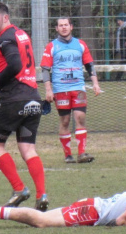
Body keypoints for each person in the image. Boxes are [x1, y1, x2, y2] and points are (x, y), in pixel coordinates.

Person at [0, 1, 48, 211]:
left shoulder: (5, 38)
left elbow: (15, 65)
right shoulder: (21, 34)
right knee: (28, 148)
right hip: (33, 98)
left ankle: (19, 189)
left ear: (5, 17)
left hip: (13, 100)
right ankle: (42, 195)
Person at [40, 17, 102, 164]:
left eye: (66, 25)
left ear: (71, 27)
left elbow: (89, 65)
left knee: (80, 118)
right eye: (60, 25)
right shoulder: (51, 46)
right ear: (56, 29)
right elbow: (45, 70)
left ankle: (82, 153)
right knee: (65, 121)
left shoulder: (80, 44)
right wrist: (48, 90)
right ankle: (68, 155)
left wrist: (95, 83)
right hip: (60, 89)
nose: (63, 28)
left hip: (78, 87)